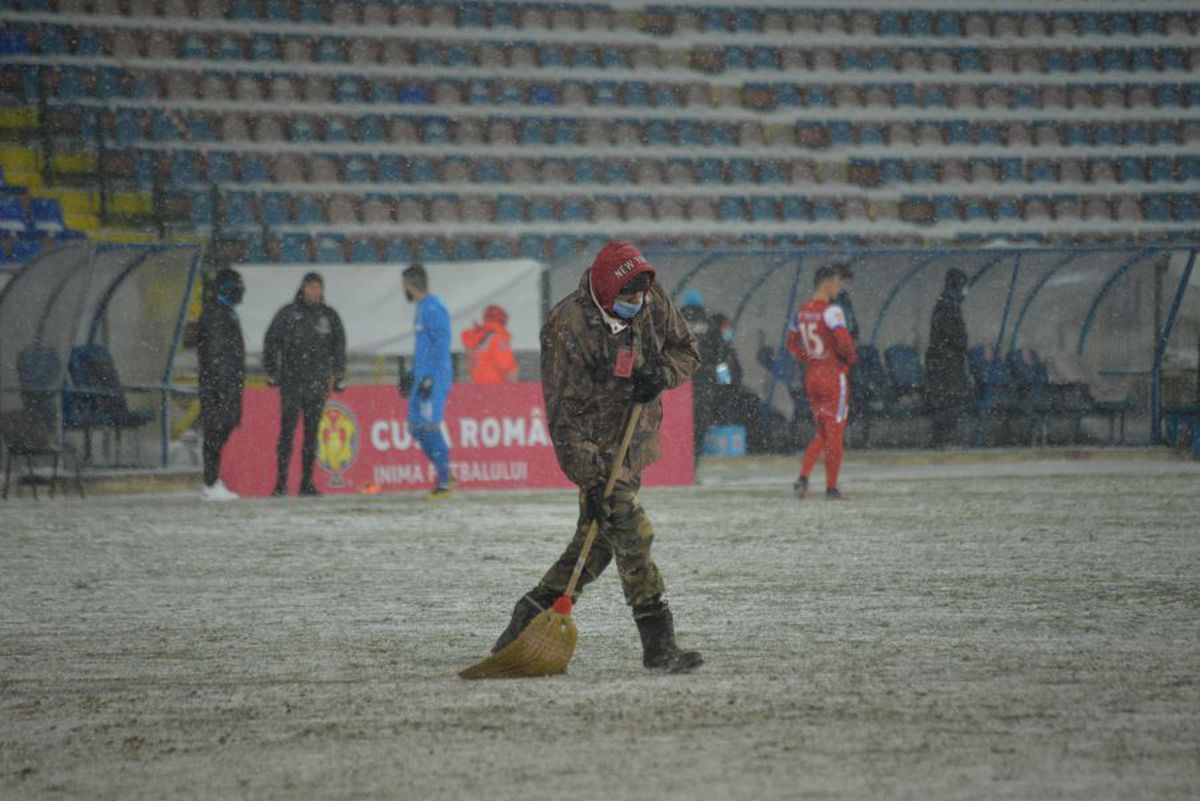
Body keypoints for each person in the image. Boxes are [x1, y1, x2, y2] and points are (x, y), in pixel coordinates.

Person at [489, 241, 704, 673]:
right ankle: (658, 644)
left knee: (595, 548)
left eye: (641, 296)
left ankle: (528, 616)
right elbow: (564, 417)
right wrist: (591, 480)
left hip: (633, 442)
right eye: (628, 298)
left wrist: (662, 374)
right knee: (632, 532)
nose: (638, 304)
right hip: (593, 449)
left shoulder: (651, 297)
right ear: (607, 291)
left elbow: (687, 351)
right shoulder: (567, 327)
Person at [263, 272, 346, 496]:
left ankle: (307, 483)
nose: (315, 291)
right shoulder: (288, 314)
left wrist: (338, 375)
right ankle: (281, 483)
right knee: (287, 433)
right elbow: (271, 342)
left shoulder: (329, 316)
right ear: (303, 289)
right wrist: (272, 371)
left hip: (317, 384)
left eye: (318, 287)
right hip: (291, 382)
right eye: (311, 287)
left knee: (312, 434)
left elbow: (339, 347)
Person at [786, 264, 857, 500]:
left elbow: (791, 342)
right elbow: (844, 343)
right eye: (837, 283)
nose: (839, 288)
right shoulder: (832, 312)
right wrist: (848, 361)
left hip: (812, 375)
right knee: (835, 432)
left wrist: (809, 359)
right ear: (826, 283)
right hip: (832, 375)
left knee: (822, 432)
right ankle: (831, 488)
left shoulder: (802, 311)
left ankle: (803, 478)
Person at [400, 263, 454, 500]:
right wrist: (412, 373)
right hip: (422, 377)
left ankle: (443, 483)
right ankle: (446, 471)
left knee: (430, 426)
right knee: (414, 426)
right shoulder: (421, 308)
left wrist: (430, 376)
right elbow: (425, 346)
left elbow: (442, 344)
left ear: (410, 284)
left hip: (434, 377)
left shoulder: (434, 307)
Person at [197, 267, 245, 502]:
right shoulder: (216, 313)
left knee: (221, 430)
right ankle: (210, 482)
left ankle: (212, 479)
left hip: (226, 383)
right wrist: (223, 382)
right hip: (218, 385)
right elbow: (216, 353)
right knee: (215, 431)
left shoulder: (225, 311)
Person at [924, 268, 971, 449]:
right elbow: (954, 336)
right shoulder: (947, 305)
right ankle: (943, 439)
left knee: (947, 401)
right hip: (946, 363)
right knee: (947, 401)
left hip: (946, 362)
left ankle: (943, 438)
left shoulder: (947, 304)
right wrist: (960, 345)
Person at [461, 304, 518, 384]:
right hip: (496, 386)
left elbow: (470, 365)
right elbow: (506, 365)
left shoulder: (477, 337)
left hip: (476, 385)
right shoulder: (498, 337)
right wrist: (513, 386)